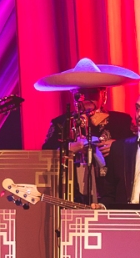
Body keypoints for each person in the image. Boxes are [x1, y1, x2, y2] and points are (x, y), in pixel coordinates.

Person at [36, 59, 139, 206]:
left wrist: (119, 146)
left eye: (93, 92)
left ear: (104, 94)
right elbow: (44, 157)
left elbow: (135, 150)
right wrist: (71, 148)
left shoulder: (121, 121)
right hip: (70, 192)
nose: (86, 98)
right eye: (81, 93)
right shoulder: (61, 123)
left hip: (111, 195)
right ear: (73, 94)